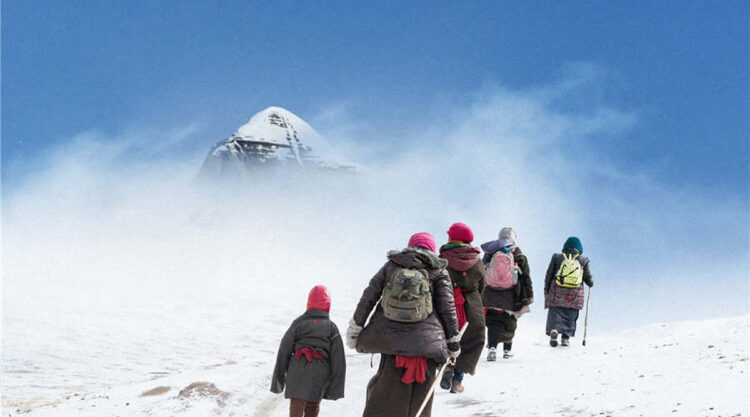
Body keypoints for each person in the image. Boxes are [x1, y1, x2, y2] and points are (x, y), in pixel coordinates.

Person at [346, 232, 460, 417]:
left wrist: (356, 328)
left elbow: (369, 296)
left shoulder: (392, 265)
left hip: (390, 344)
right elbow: (448, 309)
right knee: (419, 403)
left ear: (409, 246)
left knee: (385, 398)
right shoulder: (439, 271)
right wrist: (453, 343)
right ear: (432, 250)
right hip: (426, 347)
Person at [271, 285, 346, 417]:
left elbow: (284, 349)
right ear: (328, 305)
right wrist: (335, 388)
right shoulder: (331, 328)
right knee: (313, 404)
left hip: (298, 368)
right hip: (318, 372)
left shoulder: (298, 323)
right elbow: (338, 358)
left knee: (296, 404)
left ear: (309, 302)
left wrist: (278, 379)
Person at [438, 222, 486, 394]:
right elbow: (482, 284)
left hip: (448, 303)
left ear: (452, 237)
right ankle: (457, 381)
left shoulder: (442, 257)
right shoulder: (476, 260)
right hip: (472, 306)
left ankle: (447, 369)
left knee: (447, 338)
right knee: (471, 341)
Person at [480, 227, 533, 360]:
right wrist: (529, 295)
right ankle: (507, 350)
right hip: (511, 294)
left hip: (491, 293)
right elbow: (526, 277)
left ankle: (492, 348)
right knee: (510, 321)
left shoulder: (491, 252)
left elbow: (481, 270)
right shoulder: (519, 255)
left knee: (492, 321)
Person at [544, 236, 594, 347]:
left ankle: (554, 330)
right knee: (571, 316)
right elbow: (588, 278)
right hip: (574, 296)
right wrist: (591, 283)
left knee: (555, 313)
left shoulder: (557, 257)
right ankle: (565, 338)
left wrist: (547, 290)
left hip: (557, 293)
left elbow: (549, 275)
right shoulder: (583, 260)